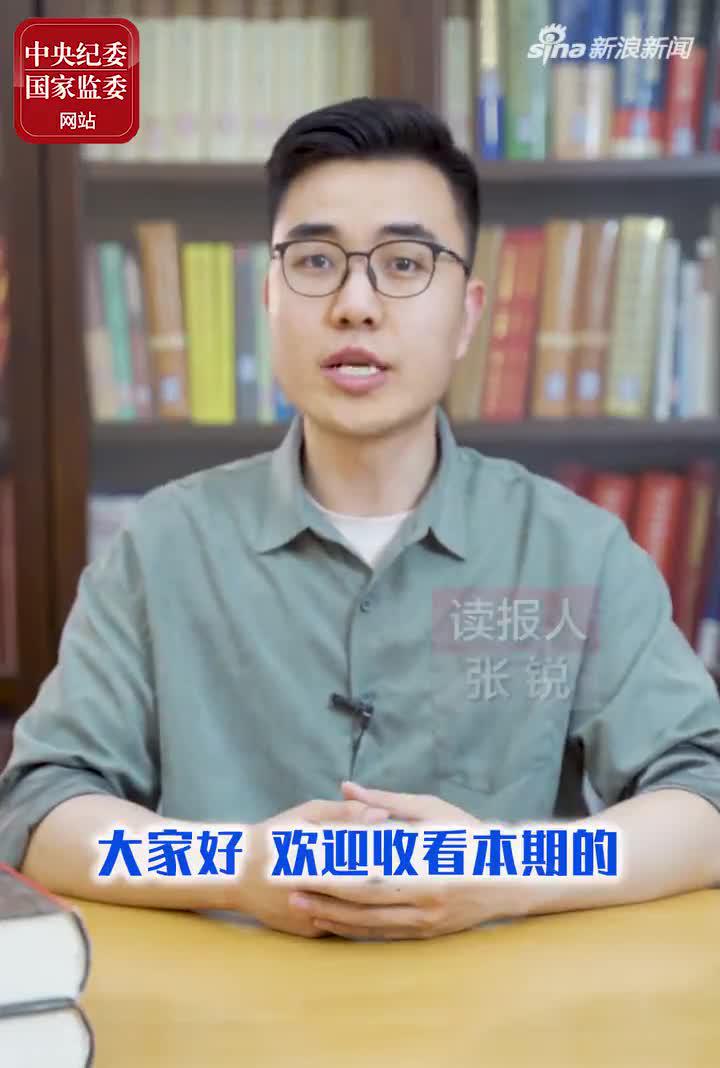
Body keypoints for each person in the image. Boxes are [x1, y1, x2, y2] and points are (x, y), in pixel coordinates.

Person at [1, 97, 719, 942]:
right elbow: (42, 808)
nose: (355, 304)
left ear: (468, 314)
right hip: (229, 1004)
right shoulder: (162, 546)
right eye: (315, 261)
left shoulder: (577, 551)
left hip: (500, 1005)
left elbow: (704, 800)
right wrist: (233, 864)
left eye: (405, 263)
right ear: (269, 297)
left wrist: (510, 868)